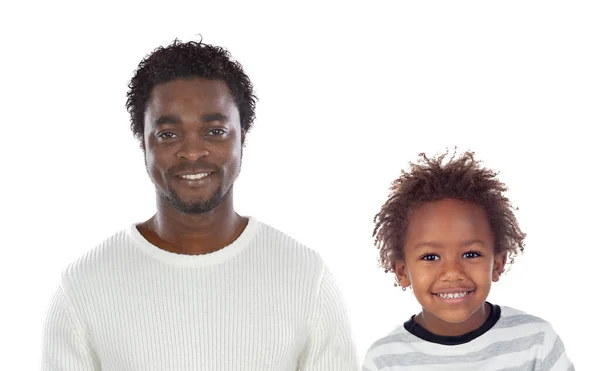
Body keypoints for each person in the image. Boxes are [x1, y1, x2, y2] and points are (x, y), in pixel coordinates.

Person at [41, 38, 358, 371]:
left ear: (242, 137)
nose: (192, 152)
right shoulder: (83, 288)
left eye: (215, 131)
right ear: (142, 142)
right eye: (168, 134)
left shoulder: (306, 279)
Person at [362, 150, 574, 370]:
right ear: (402, 271)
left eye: (471, 254)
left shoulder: (537, 342)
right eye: (430, 257)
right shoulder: (385, 360)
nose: (452, 272)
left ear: (498, 263)